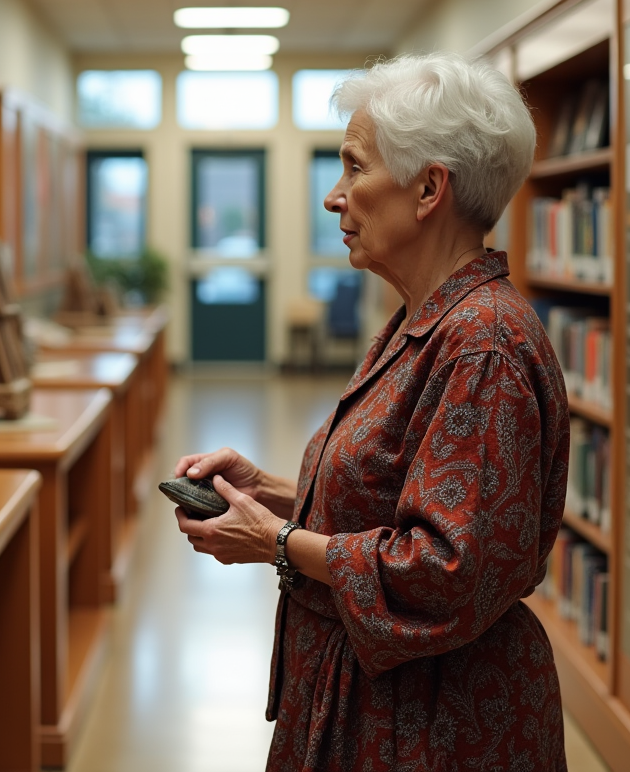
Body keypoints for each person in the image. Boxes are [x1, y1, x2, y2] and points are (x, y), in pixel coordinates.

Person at [172, 52, 569, 770]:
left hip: (432, 724)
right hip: (387, 700)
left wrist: (275, 541)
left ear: (429, 189)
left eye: (354, 168)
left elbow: (444, 568)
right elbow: (399, 498)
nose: (334, 197)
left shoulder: (482, 346)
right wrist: (274, 493)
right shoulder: (422, 321)